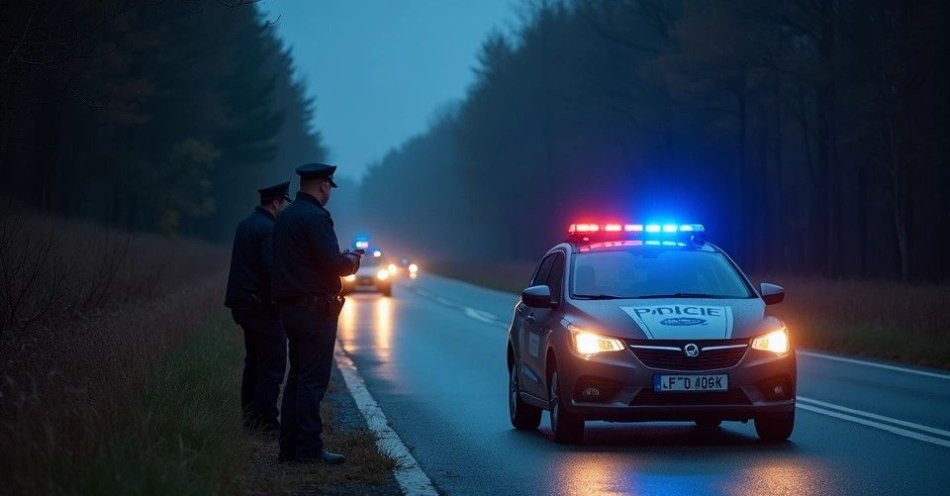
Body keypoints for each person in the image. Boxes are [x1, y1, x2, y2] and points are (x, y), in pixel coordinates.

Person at [273, 163, 362, 464]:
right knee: (312, 381)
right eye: (328, 188)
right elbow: (331, 263)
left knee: (296, 378)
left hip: (290, 309)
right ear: (324, 185)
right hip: (315, 310)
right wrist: (351, 262)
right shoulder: (316, 217)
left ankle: (289, 449)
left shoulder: (285, 217)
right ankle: (309, 450)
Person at [224, 181, 291, 435]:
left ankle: (250, 421)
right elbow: (271, 269)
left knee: (253, 363)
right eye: (283, 203)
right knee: (272, 365)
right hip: (261, 306)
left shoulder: (246, 223)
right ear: (275, 203)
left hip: (242, 304)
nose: (284, 208)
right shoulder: (269, 229)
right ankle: (267, 424)